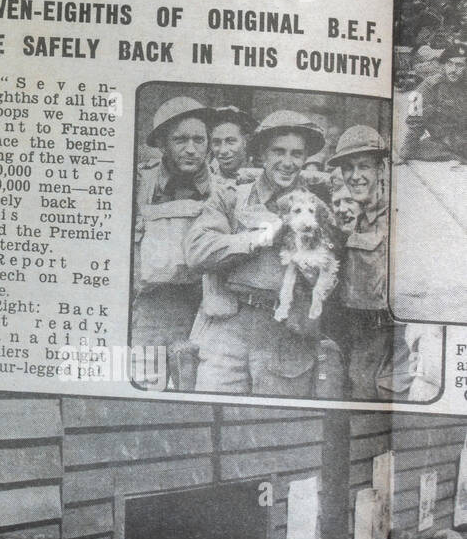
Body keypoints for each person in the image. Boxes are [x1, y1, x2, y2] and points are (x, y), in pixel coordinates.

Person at [185, 110, 331, 396]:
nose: (288, 163)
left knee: (276, 427)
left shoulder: (314, 209)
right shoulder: (231, 197)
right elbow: (196, 251)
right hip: (228, 329)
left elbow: (327, 275)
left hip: (285, 333)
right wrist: (258, 239)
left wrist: (308, 253)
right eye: (279, 151)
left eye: (297, 154)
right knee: (211, 414)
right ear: (262, 153)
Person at [131, 97, 212, 390]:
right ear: (164, 143)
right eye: (180, 140)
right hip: (149, 312)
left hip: (202, 315)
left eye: (199, 140)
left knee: (193, 396)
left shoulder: (222, 189)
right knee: (147, 388)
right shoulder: (139, 183)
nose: (191, 149)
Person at [326, 126, 396, 400]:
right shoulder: (360, 217)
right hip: (360, 341)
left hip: (389, 342)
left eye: (364, 166)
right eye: (348, 168)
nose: (355, 176)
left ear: (381, 169)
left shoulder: (396, 213)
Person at [402, 43, 467, 161]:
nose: (453, 70)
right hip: (443, 139)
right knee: (418, 149)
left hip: (462, 137)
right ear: (444, 65)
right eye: (449, 64)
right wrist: (405, 151)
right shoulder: (431, 85)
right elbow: (415, 119)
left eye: (459, 65)